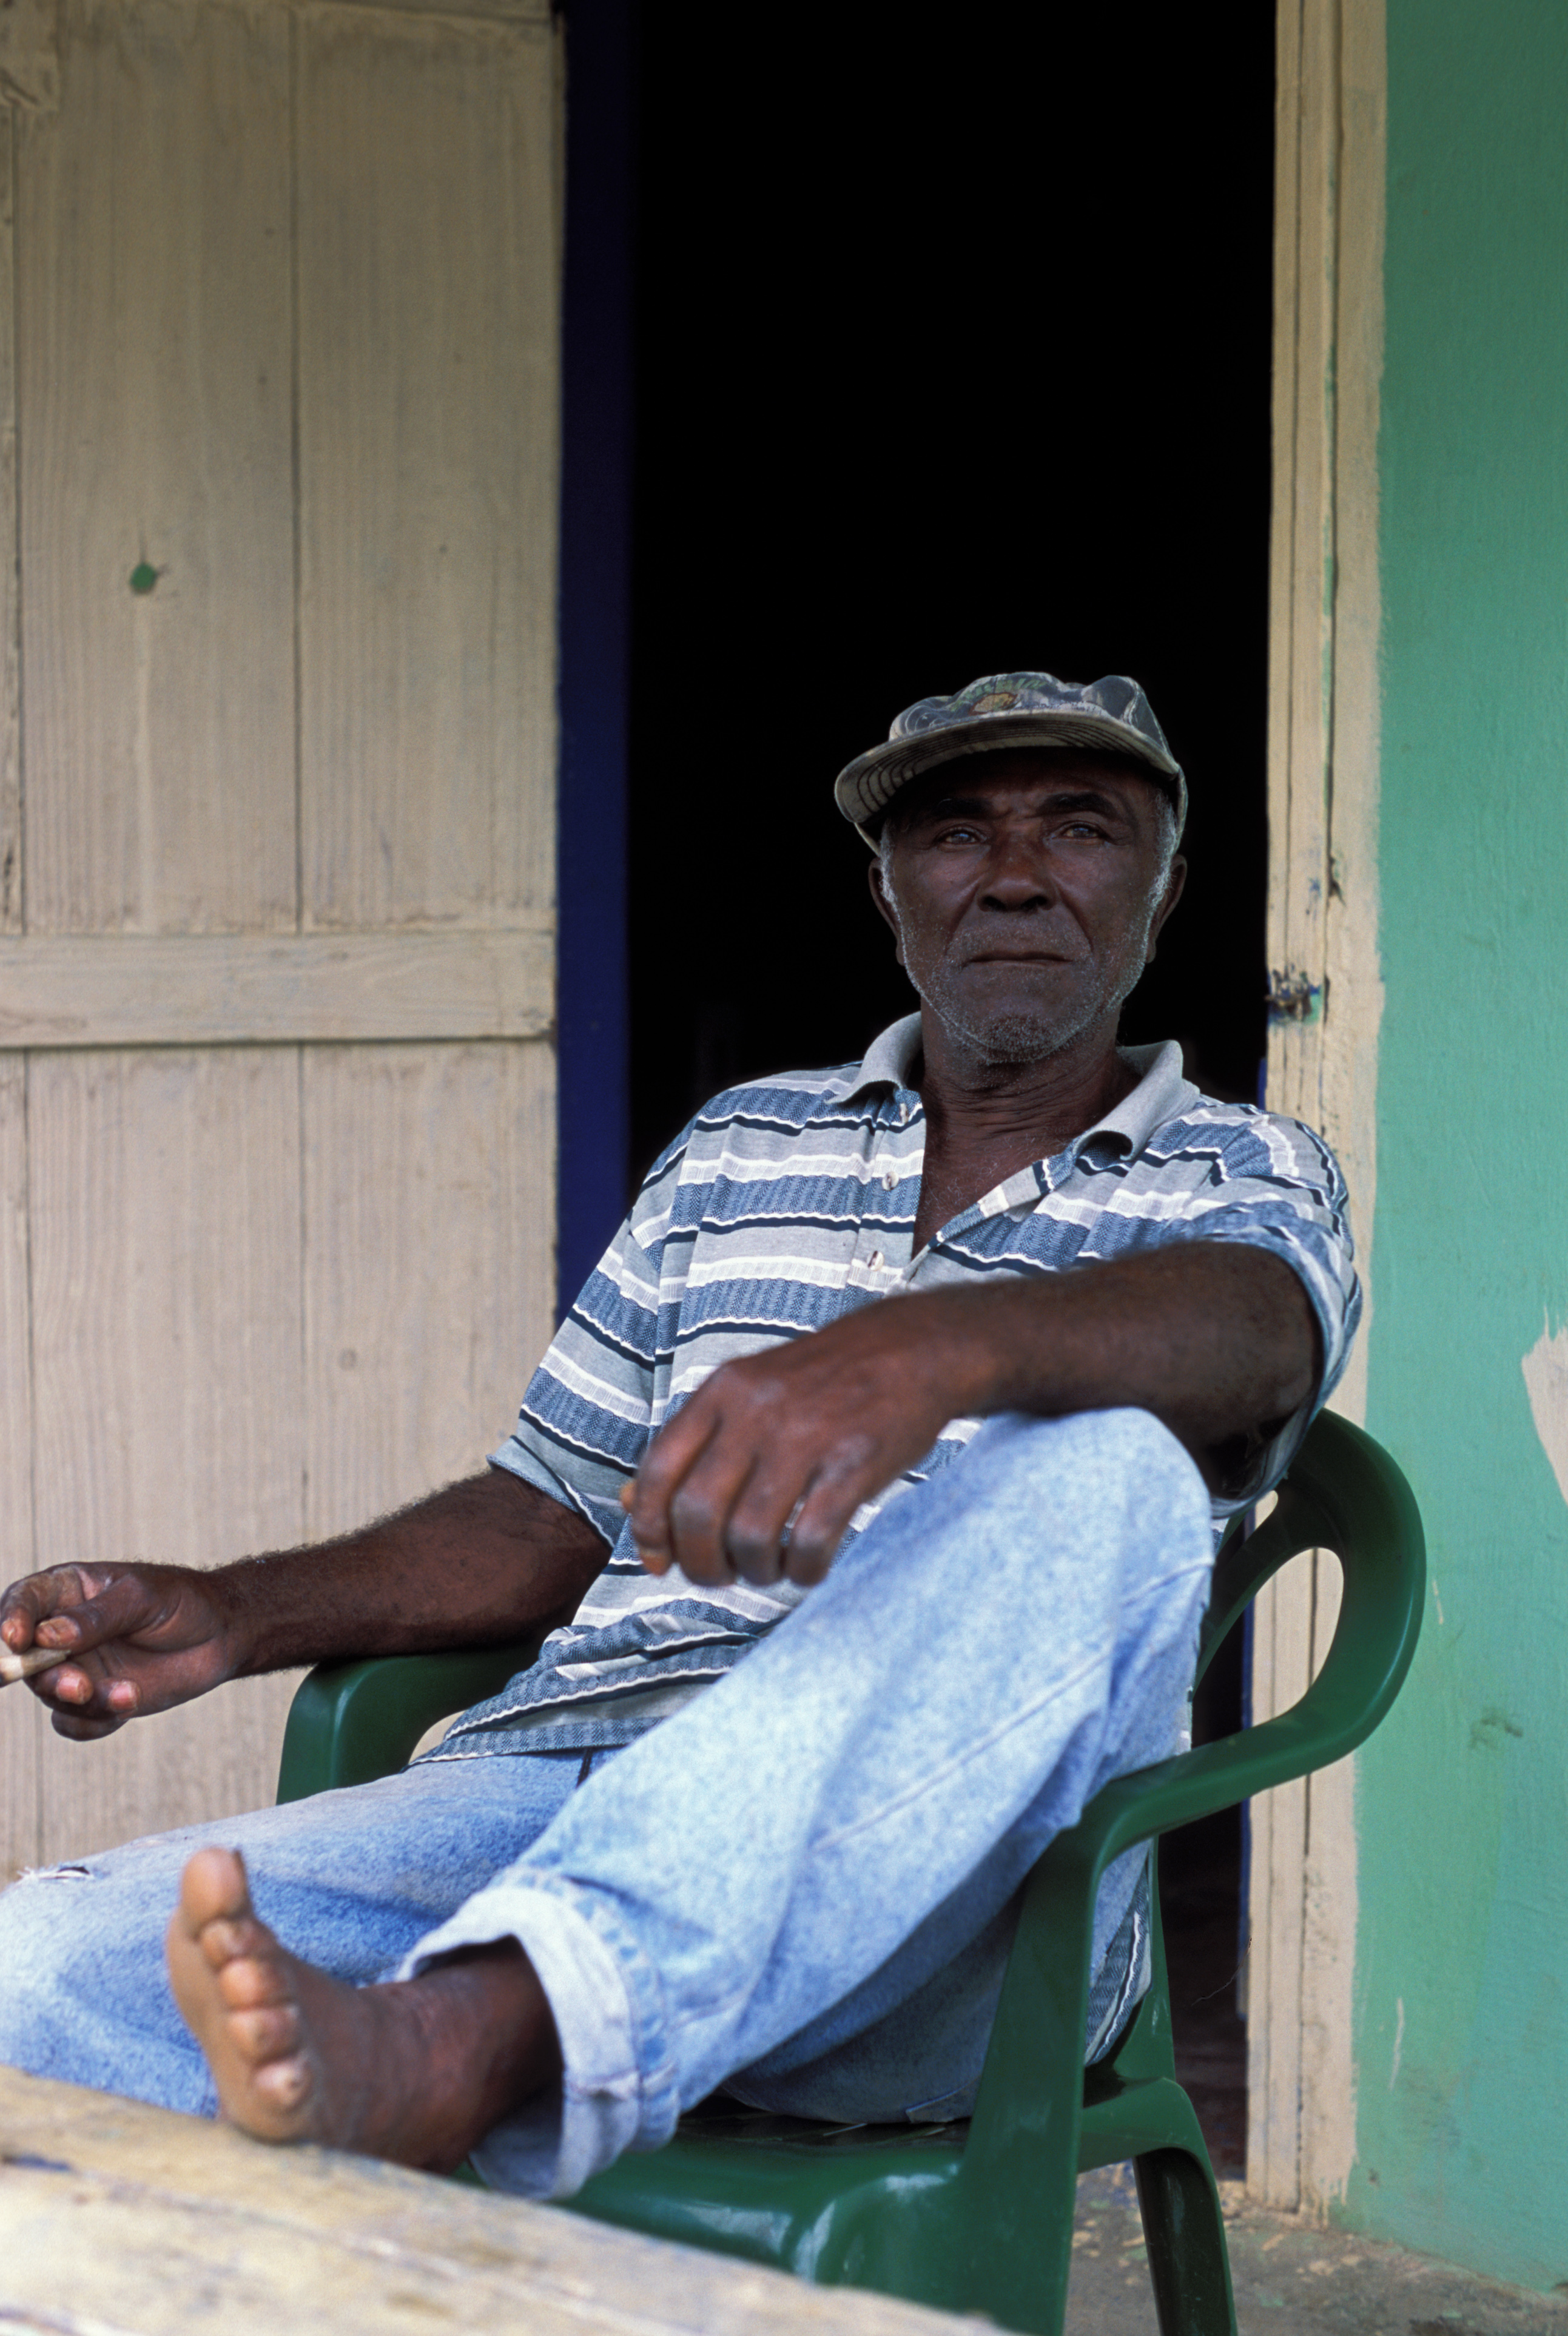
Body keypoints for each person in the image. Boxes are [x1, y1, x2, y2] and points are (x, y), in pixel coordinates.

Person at [0, 670, 1356, 2198]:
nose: (1018, 873)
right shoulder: (740, 1143)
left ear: (1165, 891)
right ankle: (469, 2043)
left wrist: (935, 1346)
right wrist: (236, 1610)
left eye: (1083, 828)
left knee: (1114, 1468)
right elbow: (550, 1509)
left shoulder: (1238, 1170)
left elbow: (1264, 1331)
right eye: (958, 832)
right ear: (892, 893)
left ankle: (476, 2034)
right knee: (36, 1974)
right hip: (555, 1791)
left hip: (952, 1899)